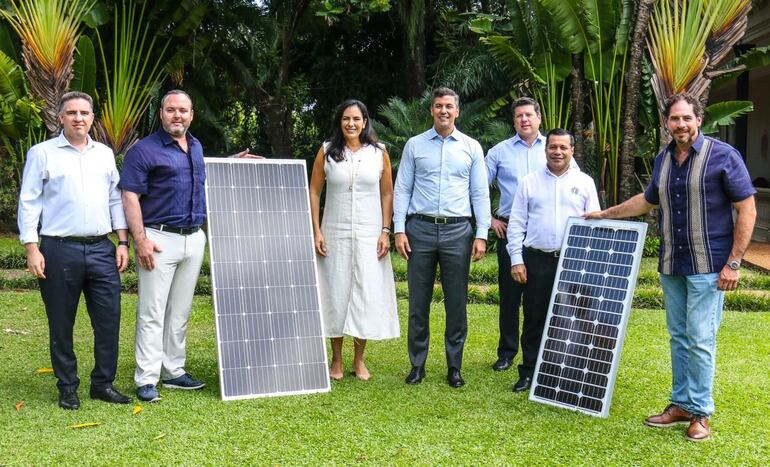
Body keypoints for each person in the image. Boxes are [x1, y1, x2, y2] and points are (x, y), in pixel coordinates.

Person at [586, 93, 756, 441]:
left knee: (700, 339)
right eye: (674, 119)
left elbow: (748, 209)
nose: (680, 125)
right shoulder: (663, 159)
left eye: (686, 118)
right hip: (672, 264)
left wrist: (734, 263)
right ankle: (680, 405)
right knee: (679, 337)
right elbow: (647, 200)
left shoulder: (723, 156)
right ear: (667, 122)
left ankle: (701, 413)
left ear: (699, 120)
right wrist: (605, 214)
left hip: (709, 266)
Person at [120, 89, 257, 402]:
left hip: (194, 239)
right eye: (171, 110)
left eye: (183, 110)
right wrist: (139, 240)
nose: (177, 115)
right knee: (152, 312)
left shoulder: (194, 146)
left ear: (191, 115)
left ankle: (174, 371)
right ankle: (147, 378)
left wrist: (230, 163)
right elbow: (130, 196)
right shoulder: (144, 151)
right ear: (161, 113)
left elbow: (201, 176)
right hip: (159, 239)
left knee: (179, 311)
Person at [17, 91, 132, 409]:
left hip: (100, 249)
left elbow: (114, 199)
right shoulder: (42, 153)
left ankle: (103, 384)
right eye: (71, 113)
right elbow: (29, 201)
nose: (78, 118)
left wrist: (122, 241)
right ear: (61, 118)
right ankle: (67, 386)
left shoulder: (105, 154)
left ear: (92, 118)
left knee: (108, 319)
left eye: (84, 113)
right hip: (58, 249)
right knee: (61, 321)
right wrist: (31, 248)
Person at [393, 87, 491, 388]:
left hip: (457, 231)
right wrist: (398, 229)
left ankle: (454, 366)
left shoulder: (471, 147)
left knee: (457, 303)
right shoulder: (414, 145)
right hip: (419, 229)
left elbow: (479, 192)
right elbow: (402, 189)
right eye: (438, 106)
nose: (443, 111)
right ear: (432, 110)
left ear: (457, 111)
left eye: (449, 106)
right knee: (418, 302)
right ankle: (417, 365)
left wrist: (482, 233)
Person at [309, 99, 400, 381]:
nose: (351, 124)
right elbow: (313, 192)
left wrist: (386, 230)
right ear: (340, 122)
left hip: (369, 233)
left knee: (364, 291)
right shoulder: (326, 152)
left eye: (356, 119)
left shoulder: (379, 153)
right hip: (333, 232)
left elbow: (387, 194)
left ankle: (359, 359)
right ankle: (335, 359)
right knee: (335, 291)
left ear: (365, 122)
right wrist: (316, 231)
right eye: (346, 118)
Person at [507, 128, 600, 393]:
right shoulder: (529, 182)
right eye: (553, 147)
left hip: (573, 261)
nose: (557, 152)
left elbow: (594, 223)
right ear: (545, 150)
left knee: (574, 318)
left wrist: (588, 264)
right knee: (534, 318)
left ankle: (570, 373)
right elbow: (516, 224)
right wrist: (516, 259)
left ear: (572, 151)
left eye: (563, 147)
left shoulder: (585, 182)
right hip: (537, 260)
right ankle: (528, 372)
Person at [486, 97, 546, 372]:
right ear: (514, 121)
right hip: (509, 230)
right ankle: (507, 352)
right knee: (510, 296)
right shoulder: (499, 152)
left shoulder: (555, 148)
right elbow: (475, 187)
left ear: (538, 118)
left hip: (543, 233)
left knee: (538, 297)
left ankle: (536, 355)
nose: (524, 120)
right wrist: (488, 218)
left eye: (528, 115)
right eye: (519, 116)